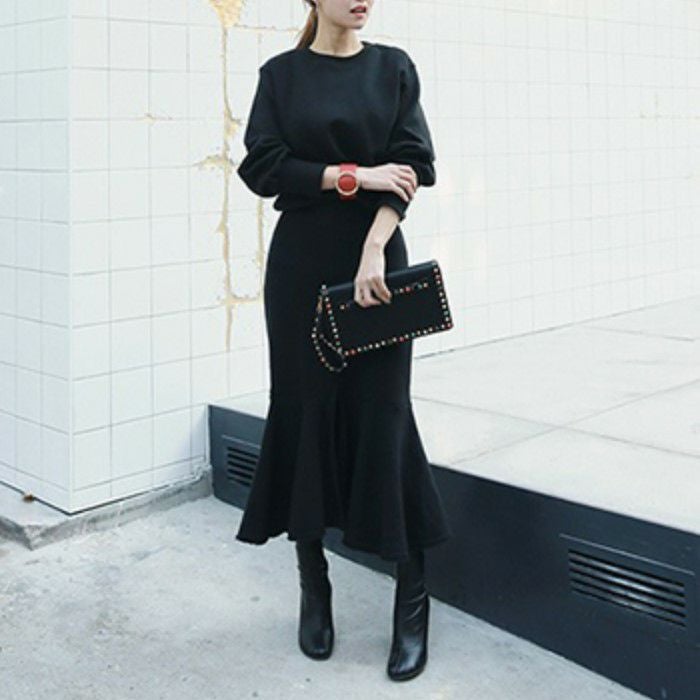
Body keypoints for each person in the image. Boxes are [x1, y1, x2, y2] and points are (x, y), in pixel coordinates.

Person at [234, 0, 453, 682]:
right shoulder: (280, 75)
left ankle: (412, 599)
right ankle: (314, 583)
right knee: (303, 412)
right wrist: (353, 176)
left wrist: (374, 246)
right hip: (299, 267)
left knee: (385, 417)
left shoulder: (393, 69)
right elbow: (264, 166)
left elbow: (411, 164)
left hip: (376, 271)